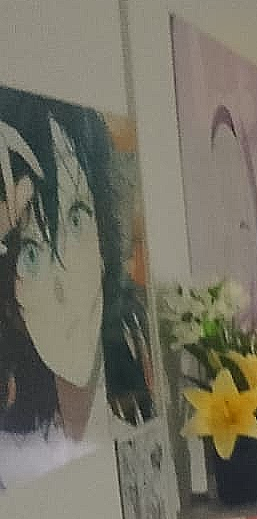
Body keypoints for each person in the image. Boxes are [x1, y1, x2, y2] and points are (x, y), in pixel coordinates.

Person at [0, 89, 150, 488]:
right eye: (30, 253)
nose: (63, 286)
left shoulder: (134, 397)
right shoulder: (16, 450)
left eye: (77, 219)